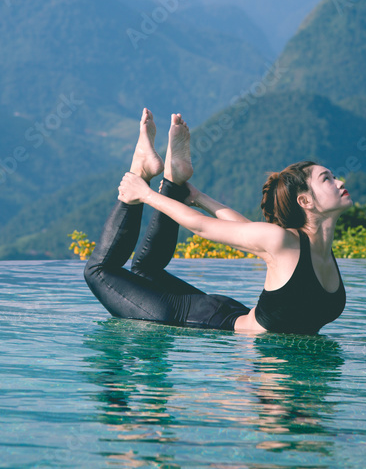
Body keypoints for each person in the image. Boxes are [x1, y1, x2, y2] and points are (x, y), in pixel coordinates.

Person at [83, 108, 352, 335]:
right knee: (98, 270)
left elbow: (246, 229)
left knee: (145, 270)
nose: (339, 182)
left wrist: (199, 197)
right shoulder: (286, 242)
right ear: (305, 201)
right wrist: (144, 194)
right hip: (197, 318)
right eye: (327, 179)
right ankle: (141, 171)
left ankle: (170, 179)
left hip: (229, 315)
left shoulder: (313, 249)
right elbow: (201, 226)